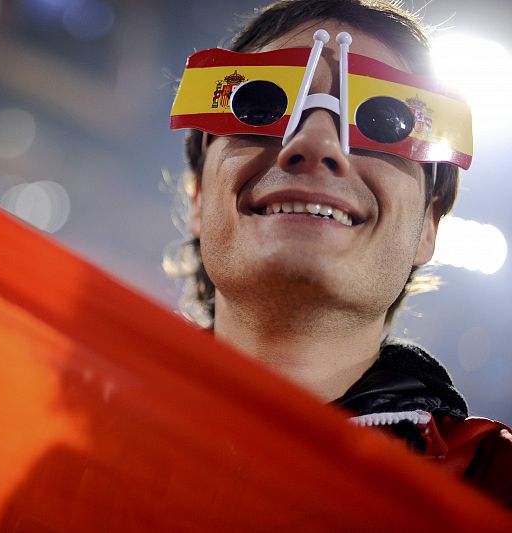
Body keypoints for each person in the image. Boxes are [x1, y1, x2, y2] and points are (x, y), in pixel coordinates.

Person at [168, 0, 511, 505]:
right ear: (198, 195)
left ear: (428, 229)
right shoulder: (32, 410)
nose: (316, 143)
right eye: (261, 105)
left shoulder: (496, 486)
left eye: (385, 121)